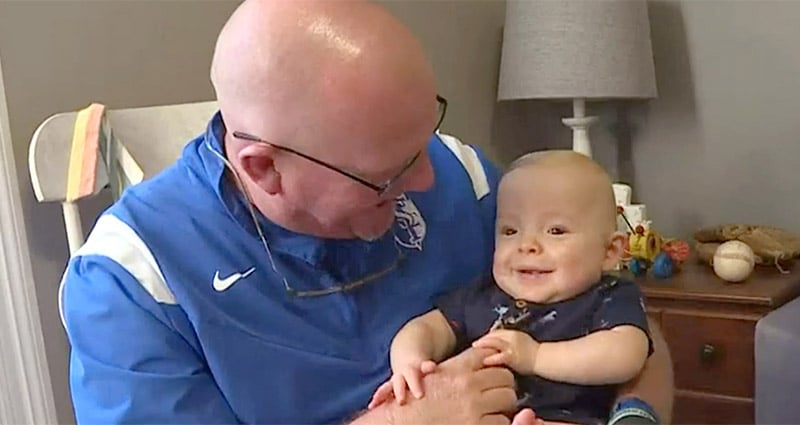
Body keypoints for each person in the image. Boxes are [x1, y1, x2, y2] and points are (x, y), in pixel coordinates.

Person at [59, 1, 673, 424]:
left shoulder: (466, 180)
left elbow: (631, 330)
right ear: (263, 168)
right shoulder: (132, 284)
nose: (426, 179)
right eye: (389, 173)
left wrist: (631, 415)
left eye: (425, 137)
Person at [368, 151, 653, 425]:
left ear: (610, 251)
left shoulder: (608, 297)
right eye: (509, 231)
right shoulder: (481, 295)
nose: (526, 245)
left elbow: (626, 353)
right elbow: (425, 328)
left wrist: (536, 356)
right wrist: (410, 362)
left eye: (556, 231)